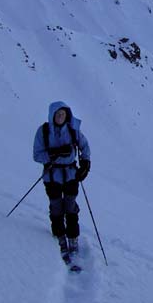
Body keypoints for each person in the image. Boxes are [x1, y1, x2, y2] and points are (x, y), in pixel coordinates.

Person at [33, 101, 91, 257]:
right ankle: (60, 236)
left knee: (70, 206)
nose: (60, 117)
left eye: (63, 114)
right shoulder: (43, 132)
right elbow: (37, 155)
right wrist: (54, 154)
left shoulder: (73, 131)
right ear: (52, 115)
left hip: (71, 175)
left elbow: (85, 146)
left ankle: (72, 238)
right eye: (58, 114)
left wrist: (85, 164)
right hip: (52, 176)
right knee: (56, 206)